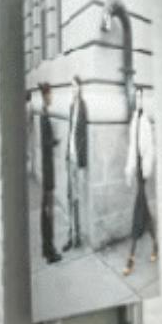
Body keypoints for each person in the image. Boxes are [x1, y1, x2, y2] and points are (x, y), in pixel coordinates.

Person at [122, 85, 158, 278]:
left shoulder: (145, 121)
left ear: (144, 100)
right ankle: (156, 243)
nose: (138, 101)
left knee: (138, 210)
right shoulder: (134, 120)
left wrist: (146, 168)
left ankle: (131, 257)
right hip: (137, 171)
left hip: (143, 171)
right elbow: (131, 148)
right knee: (145, 211)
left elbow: (150, 148)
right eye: (136, 97)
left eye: (141, 97)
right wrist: (129, 170)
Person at [64, 75, 89, 251]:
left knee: (76, 198)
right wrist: (67, 152)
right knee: (69, 196)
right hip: (70, 157)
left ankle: (76, 236)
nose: (73, 89)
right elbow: (70, 132)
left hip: (77, 159)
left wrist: (81, 160)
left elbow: (83, 135)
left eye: (75, 86)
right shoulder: (71, 106)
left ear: (80, 88)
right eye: (71, 86)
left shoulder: (82, 107)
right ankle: (70, 235)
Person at [38, 82, 61, 265]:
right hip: (48, 170)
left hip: (47, 168)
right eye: (50, 94)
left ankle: (46, 248)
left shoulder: (44, 114)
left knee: (46, 210)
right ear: (46, 95)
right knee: (48, 211)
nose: (52, 97)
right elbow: (46, 144)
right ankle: (50, 251)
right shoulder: (44, 116)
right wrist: (54, 141)